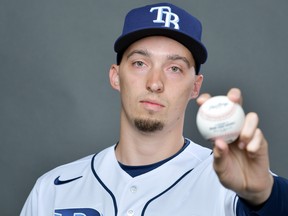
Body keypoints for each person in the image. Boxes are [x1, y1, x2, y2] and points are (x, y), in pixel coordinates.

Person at [20, 2, 288, 216]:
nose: (155, 83)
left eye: (174, 68)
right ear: (116, 76)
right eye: (140, 63)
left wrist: (264, 195)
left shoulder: (234, 185)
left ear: (195, 87)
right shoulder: (53, 189)